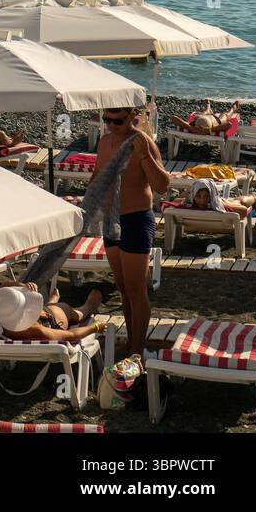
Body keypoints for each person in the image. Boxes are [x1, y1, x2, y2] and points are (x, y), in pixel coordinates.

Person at [94, 105, 169, 358]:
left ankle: (137, 347)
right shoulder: (104, 143)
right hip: (111, 219)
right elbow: (96, 176)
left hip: (136, 218)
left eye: (116, 121)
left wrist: (146, 156)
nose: (110, 125)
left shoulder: (142, 142)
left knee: (136, 288)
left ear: (132, 118)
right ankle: (132, 342)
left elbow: (162, 186)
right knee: (123, 287)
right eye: (106, 120)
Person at [0, 282, 105, 343]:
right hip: (52, 319)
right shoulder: (34, 329)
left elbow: (3, 288)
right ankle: (89, 306)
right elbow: (71, 336)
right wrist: (95, 327)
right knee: (76, 312)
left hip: (40, 315)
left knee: (48, 307)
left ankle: (52, 301)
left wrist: (22, 286)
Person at [177, 178, 256, 218]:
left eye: (206, 196)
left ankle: (254, 197)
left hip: (224, 202)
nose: (202, 201)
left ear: (210, 196)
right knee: (236, 200)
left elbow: (243, 210)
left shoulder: (220, 206)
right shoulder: (188, 201)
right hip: (220, 201)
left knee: (240, 201)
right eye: (198, 196)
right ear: (193, 196)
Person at [167, 100, 239, 136]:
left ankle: (208, 107)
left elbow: (173, 117)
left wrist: (189, 127)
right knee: (226, 114)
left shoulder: (192, 126)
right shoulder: (211, 128)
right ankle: (233, 108)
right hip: (214, 121)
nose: (199, 130)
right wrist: (209, 130)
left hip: (202, 118)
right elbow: (229, 124)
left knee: (204, 112)